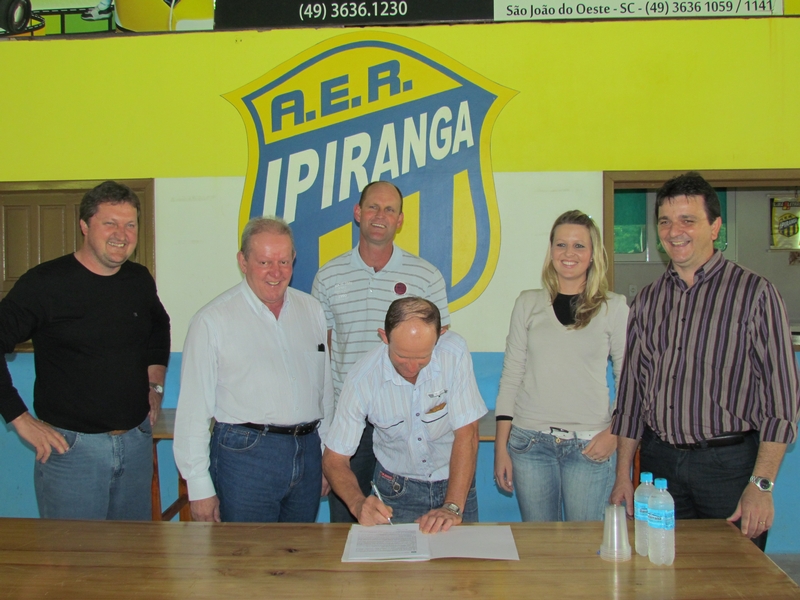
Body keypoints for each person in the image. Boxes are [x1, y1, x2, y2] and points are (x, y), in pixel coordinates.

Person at [610, 172, 800, 550]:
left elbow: (782, 402)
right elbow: (631, 399)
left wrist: (761, 486)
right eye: (665, 221)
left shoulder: (756, 294)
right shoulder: (647, 301)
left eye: (688, 220)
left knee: (734, 573)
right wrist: (622, 477)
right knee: (663, 570)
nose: (674, 231)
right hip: (660, 469)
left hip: (729, 469)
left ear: (715, 227)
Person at [0, 180, 170, 520]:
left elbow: (159, 326)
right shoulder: (45, 284)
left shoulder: (138, 279)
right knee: (74, 553)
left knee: (133, 550)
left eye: (130, 224)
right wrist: (19, 419)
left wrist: (155, 384)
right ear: (84, 225)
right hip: (71, 452)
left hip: (136, 443)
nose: (122, 234)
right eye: (110, 223)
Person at [174, 217, 334, 523]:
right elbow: (194, 410)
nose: (276, 272)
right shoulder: (212, 321)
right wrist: (198, 485)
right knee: (246, 551)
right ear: (243, 262)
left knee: (299, 549)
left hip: (308, 452)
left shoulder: (311, 309)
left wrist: (327, 457)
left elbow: (323, 390)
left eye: (283, 261)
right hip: (245, 457)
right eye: (264, 262)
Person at [312, 180, 450, 523]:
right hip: (351, 425)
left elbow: (440, 351)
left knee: (407, 527)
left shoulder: (426, 276)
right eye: (373, 207)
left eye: (390, 210)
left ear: (400, 220)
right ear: (358, 213)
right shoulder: (328, 276)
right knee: (350, 523)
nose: (380, 215)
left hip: (407, 423)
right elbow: (321, 358)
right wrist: (324, 432)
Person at [493, 210, 628, 522]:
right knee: (540, 545)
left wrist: (615, 433)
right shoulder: (527, 303)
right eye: (561, 244)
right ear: (551, 250)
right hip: (529, 445)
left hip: (591, 445)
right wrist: (501, 448)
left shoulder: (614, 307)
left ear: (593, 254)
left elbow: (628, 380)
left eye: (579, 246)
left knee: (584, 546)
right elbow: (511, 377)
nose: (569, 253)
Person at [322, 297, 486, 533]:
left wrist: (452, 506)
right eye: (402, 357)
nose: (411, 368)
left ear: (439, 337)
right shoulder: (362, 378)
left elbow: (467, 433)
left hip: (456, 484)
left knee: (461, 557)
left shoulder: (454, 352)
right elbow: (334, 459)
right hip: (396, 492)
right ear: (384, 337)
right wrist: (358, 504)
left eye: (422, 358)